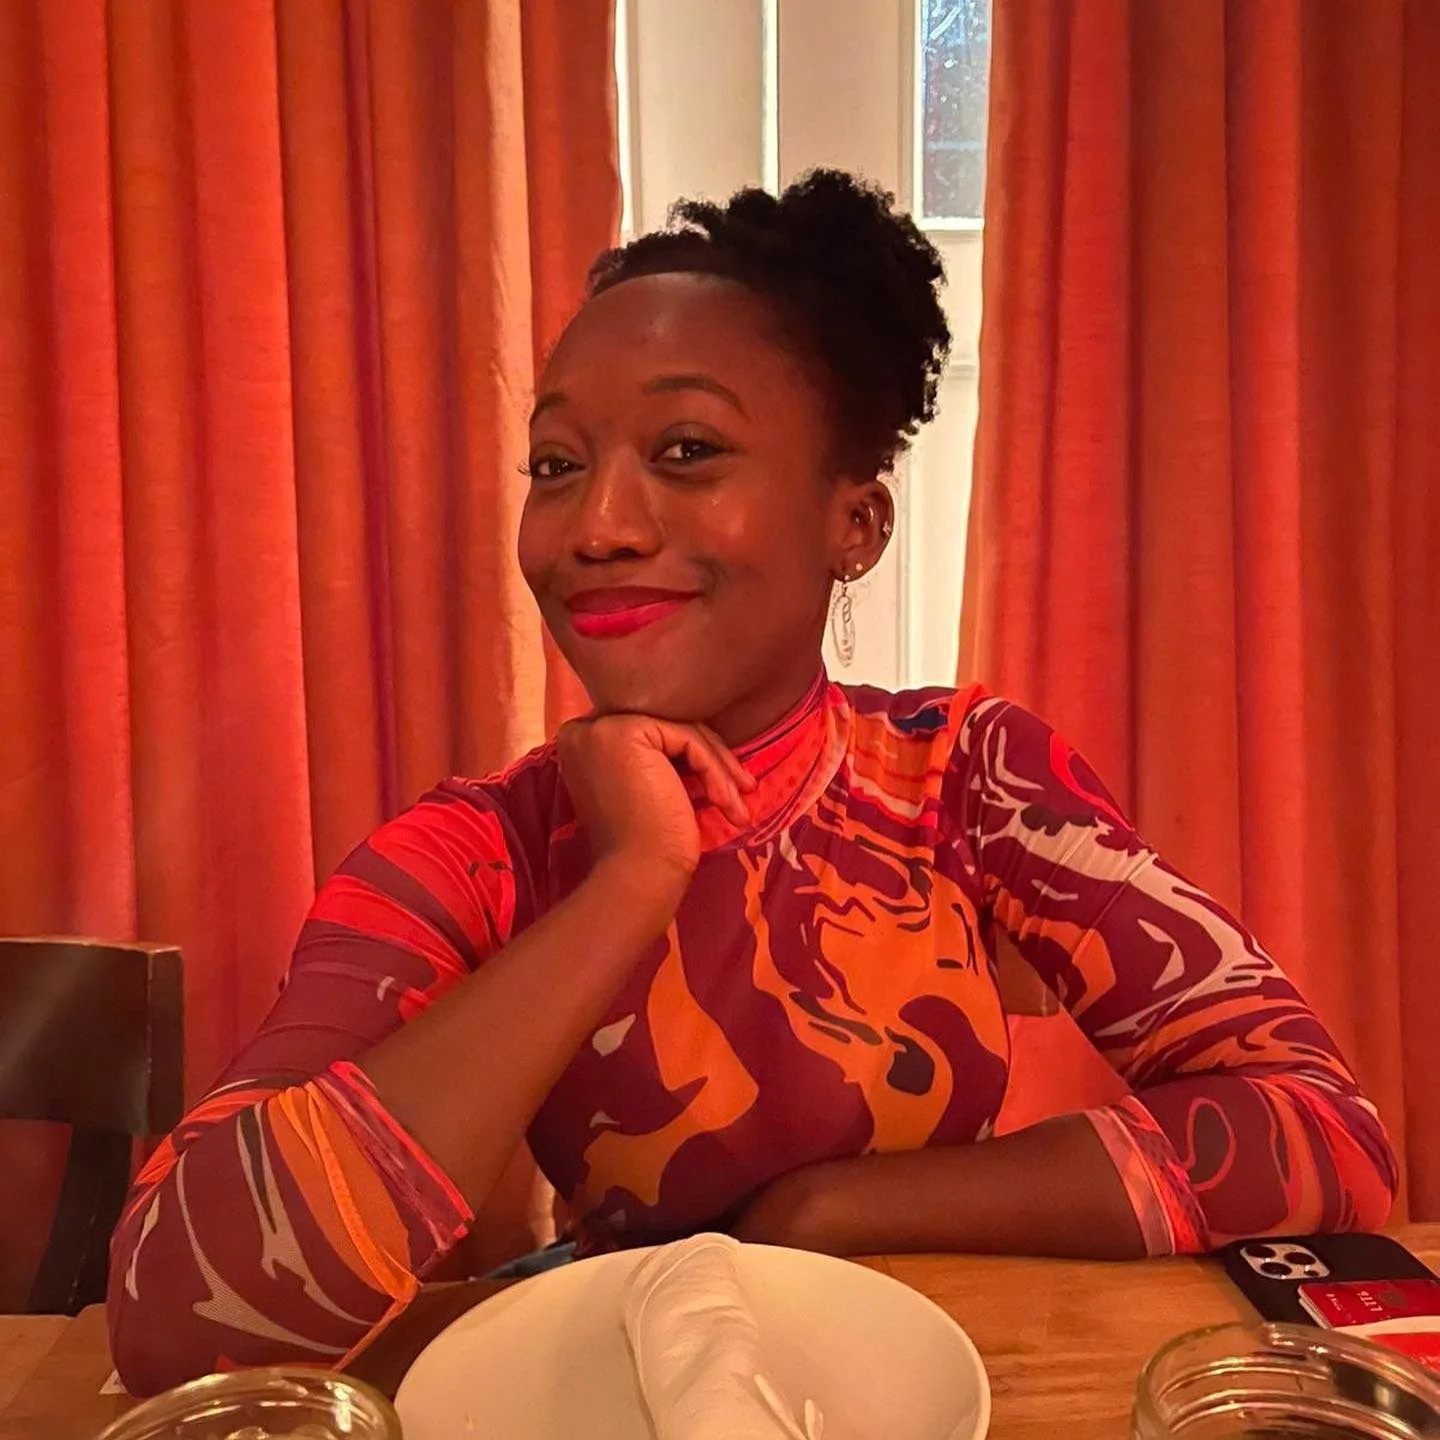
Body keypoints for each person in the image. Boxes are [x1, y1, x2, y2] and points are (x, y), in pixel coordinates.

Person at [107, 171, 1397, 1396]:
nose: (597, 527)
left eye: (686, 449)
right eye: (556, 464)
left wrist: (829, 1211)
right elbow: (177, 1321)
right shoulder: (475, 850)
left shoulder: (967, 778)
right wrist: (631, 879)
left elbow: (1322, 1128)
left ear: (855, 524)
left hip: (935, 1386)